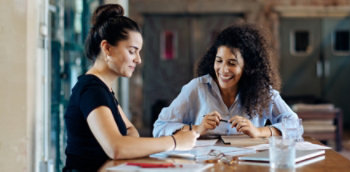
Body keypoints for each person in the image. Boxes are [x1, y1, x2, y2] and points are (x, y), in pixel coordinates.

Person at [63, 4, 198, 171]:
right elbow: (117, 148)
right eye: (132, 51)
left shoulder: (104, 88)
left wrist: (126, 143)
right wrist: (175, 142)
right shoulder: (91, 89)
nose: (138, 60)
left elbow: (130, 130)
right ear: (107, 48)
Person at [153, 24, 298, 138]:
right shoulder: (197, 88)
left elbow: (294, 124)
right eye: (219, 61)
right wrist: (198, 129)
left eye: (232, 63)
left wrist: (259, 132)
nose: (223, 69)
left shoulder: (262, 91)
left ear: (247, 67)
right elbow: (160, 127)